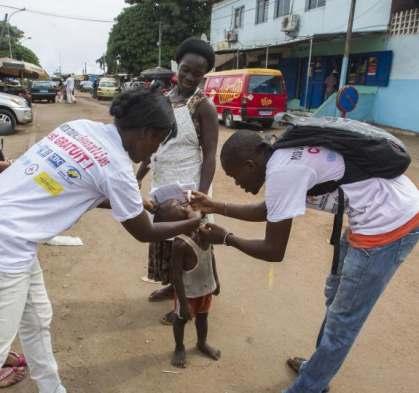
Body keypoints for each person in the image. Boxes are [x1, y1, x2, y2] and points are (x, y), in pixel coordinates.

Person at [0, 87, 203, 392]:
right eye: (157, 142)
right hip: (8, 247)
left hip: (15, 238)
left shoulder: (79, 127)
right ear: (146, 132)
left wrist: (137, 202)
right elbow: (144, 232)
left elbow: (78, 186)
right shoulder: (117, 167)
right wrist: (192, 221)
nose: (154, 152)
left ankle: (52, 388)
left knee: (38, 318)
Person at [191, 130, 419, 393]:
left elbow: (273, 250)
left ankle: (309, 387)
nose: (237, 184)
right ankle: (317, 369)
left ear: (250, 165)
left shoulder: (283, 170)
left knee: (344, 319)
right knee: (335, 297)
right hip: (373, 215)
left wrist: (227, 238)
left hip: (389, 224)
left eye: (234, 177)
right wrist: (215, 207)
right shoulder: (280, 157)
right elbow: (270, 210)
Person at [136, 37, 218, 322]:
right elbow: (152, 147)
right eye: (185, 70)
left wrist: (201, 197)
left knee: (190, 243)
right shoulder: (163, 101)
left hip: (190, 186)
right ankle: (173, 286)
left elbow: (209, 156)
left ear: (204, 75)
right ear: (177, 66)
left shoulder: (203, 106)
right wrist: (136, 180)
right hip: (163, 183)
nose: (189, 77)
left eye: (197, 73)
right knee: (166, 241)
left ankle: (187, 305)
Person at [153, 199, 220, 368]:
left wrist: (216, 280)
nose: (185, 204)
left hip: (206, 288)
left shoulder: (205, 230)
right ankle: (179, 347)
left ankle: (201, 343)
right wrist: (182, 303)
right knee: (180, 320)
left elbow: (211, 255)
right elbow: (176, 275)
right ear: (175, 224)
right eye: (180, 206)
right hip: (188, 293)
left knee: (203, 317)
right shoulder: (180, 244)